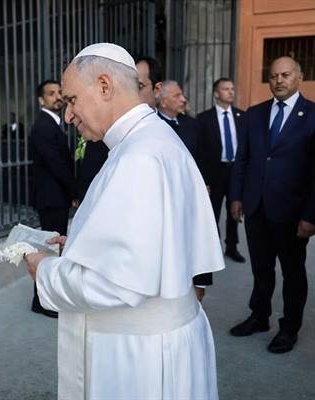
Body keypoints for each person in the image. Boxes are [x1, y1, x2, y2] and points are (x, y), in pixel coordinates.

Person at [24, 43, 224, 400]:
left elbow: (113, 286)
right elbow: (149, 244)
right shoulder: (153, 139)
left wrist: (44, 269)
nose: (68, 115)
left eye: (72, 100)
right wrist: (82, 247)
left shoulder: (138, 157)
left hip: (139, 359)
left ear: (104, 86)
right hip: (157, 344)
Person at [229, 56, 315, 353]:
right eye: (274, 75)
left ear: (299, 77)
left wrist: (311, 215)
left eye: (285, 75)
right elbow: (242, 159)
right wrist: (237, 196)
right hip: (256, 206)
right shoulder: (254, 114)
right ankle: (260, 316)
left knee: (293, 274)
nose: (278, 80)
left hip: (292, 212)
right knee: (261, 268)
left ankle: (289, 328)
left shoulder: (312, 115)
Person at [77, 55, 163, 200]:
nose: (130, 94)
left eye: (138, 87)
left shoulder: (177, 130)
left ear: (157, 89)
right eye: (126, 87)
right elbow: (88, 188)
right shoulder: (102, 133)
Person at [157, 79, 212, 294]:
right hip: (163, 201)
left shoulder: (192, 125)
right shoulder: (152, 125)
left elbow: (202, 157)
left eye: (182, 95)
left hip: (191, 199)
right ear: (163, 102)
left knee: (195, 241)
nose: (183, 99)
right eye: (177, 96)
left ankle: (198, 287)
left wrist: (204, 182)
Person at [29, 79, 78, 318]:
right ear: (41, 100)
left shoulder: (55, 123)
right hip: (51, 198)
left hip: (56, 196)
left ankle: (44, 299)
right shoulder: (43, 126)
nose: (58, 96)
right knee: (49, 250)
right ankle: (41, 302)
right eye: (51, 93)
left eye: (59, 92)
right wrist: (75, 192)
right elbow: (57, 164)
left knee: (53, 249)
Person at [198, 78, 246, 263]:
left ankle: (232, 247)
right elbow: (200, 152)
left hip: (235, 171)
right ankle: (213, 248)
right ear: (216, 94)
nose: (230, 92)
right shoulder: (204, 119)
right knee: (213, 212)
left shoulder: (242, 116)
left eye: (232, 88)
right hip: (215, 172)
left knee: (235, 210)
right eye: (226, 89)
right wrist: (204, 179)